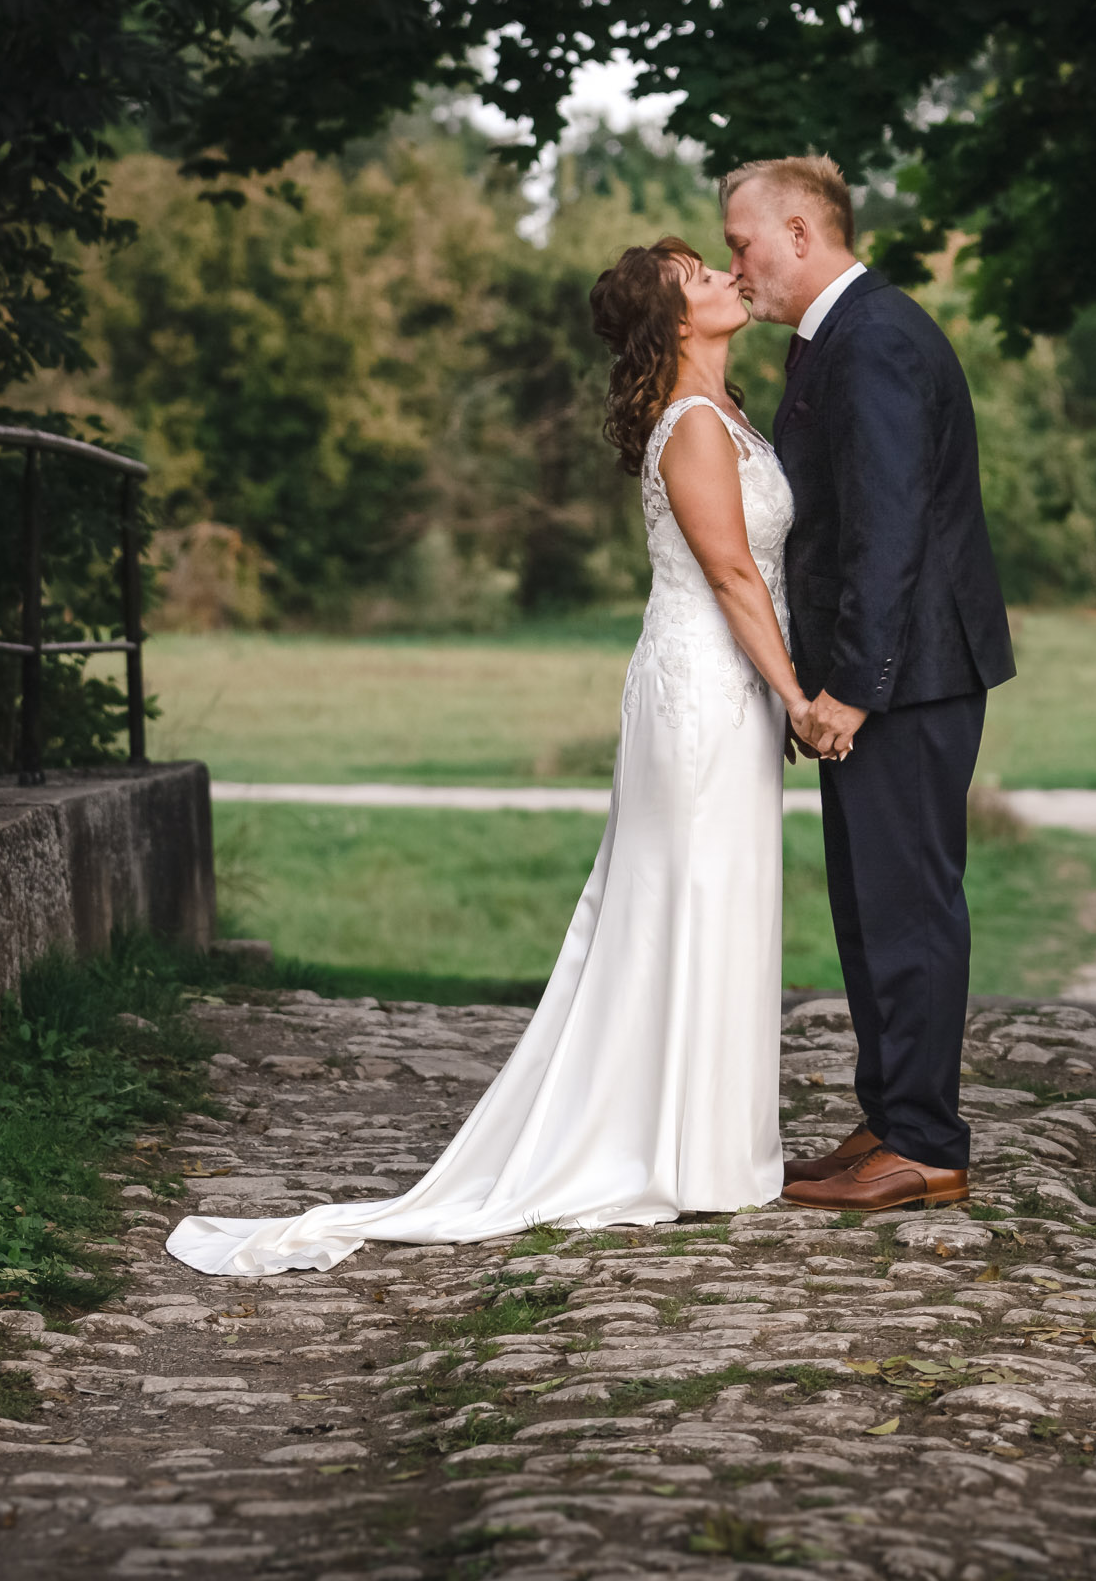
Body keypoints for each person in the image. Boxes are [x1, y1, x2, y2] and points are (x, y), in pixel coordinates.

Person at [166, 239, 817, 1275]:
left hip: (731, 687)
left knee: (726, 895)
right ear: (675, 322)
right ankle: (668, 1152)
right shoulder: (692, 427)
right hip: (703, 689)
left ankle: (717, 1148)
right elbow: (734, 575)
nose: (726, 280)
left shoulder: (733, 415)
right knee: (682, 897)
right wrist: (799, 699)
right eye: (701, 277)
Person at [723, 155, 1015, 1214]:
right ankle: (891, 1117)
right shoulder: (842, 337)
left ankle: (928, 1143)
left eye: (743, 242)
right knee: (869, 908)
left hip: (908, 677)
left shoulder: (877, 340)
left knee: (908, 910)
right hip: (895, 673)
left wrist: (848, 686)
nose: (736, 264)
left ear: (802, 234)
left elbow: (889, 534)